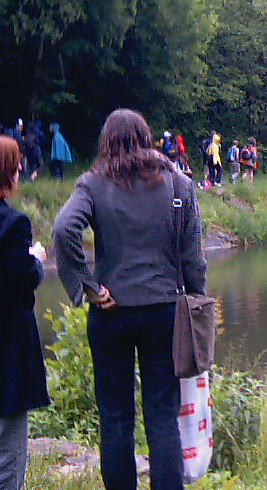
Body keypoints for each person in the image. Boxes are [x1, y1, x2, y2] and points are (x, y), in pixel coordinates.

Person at [53, 108, 207, 490]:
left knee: (115, 415)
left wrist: (86, 286)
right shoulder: (179, 184)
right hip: (164, 312)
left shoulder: (92, 184)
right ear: (146, 137)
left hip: (112, 312)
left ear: (107, 140)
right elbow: (193, 255)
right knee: (163, 415)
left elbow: (64, 228)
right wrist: (198, 298)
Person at [0, 136, 49, 490]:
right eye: (15, 164)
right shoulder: (13, 224)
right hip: (7, 353)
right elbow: (23, 278)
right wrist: (37, 260)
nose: (20, 168)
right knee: (9, 456)